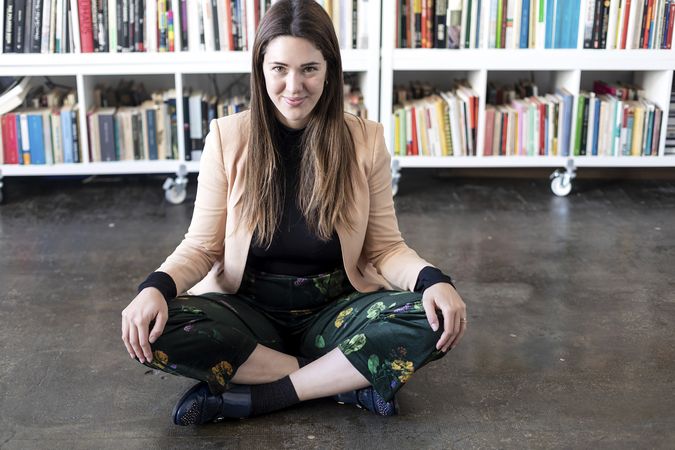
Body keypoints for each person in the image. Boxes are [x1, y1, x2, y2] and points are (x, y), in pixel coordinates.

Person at [121, 0, 467, 426]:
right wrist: (155, 287)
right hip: (247, 311)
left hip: (336, 308)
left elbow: (385, 247)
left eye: (309, 69)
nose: (293, 85)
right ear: (261, 68)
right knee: (155, 326)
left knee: (432, 318)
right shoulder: (228, 138)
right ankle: (343, 378)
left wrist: (433, 280)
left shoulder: (365, 140)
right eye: (279, 68)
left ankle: (258, 396)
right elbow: (201, 244)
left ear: (330, 70)